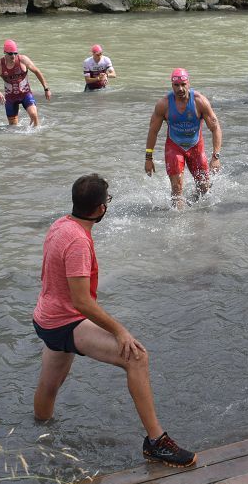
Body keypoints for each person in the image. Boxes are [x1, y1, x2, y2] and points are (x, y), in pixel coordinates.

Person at [32, 174, 196, 467]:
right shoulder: (79, 242)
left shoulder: (60, 224)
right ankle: (156, 442)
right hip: (64, 321)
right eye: (107, 201)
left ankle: (39, 439)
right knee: (136, 357)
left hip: (45, 317)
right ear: (100, 209)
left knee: (50, 384)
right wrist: (120, 330)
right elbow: (82, 301)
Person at [144, 68, 223, 205]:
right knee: (177, 190)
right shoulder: (164, 104)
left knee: (204, 189)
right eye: (176, 85)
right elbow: (153, 131)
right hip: (174, 147)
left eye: (183, 84)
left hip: (196, 147)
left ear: (189, 83)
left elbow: (215, 128)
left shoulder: (200, 102)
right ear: (172, 85)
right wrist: (148, 158)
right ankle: (177, 222)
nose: (180, 88)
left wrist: (216, 156)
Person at [0, 39, 51, 126]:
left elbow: (37, 71)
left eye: (15, 53)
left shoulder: (23, 60)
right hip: (10, 98)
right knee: (13, 128)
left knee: (34, 115)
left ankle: (36, 137)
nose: (13, 56)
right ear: (5, 52)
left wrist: (46, 89)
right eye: (10, 54)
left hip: (25, 94)